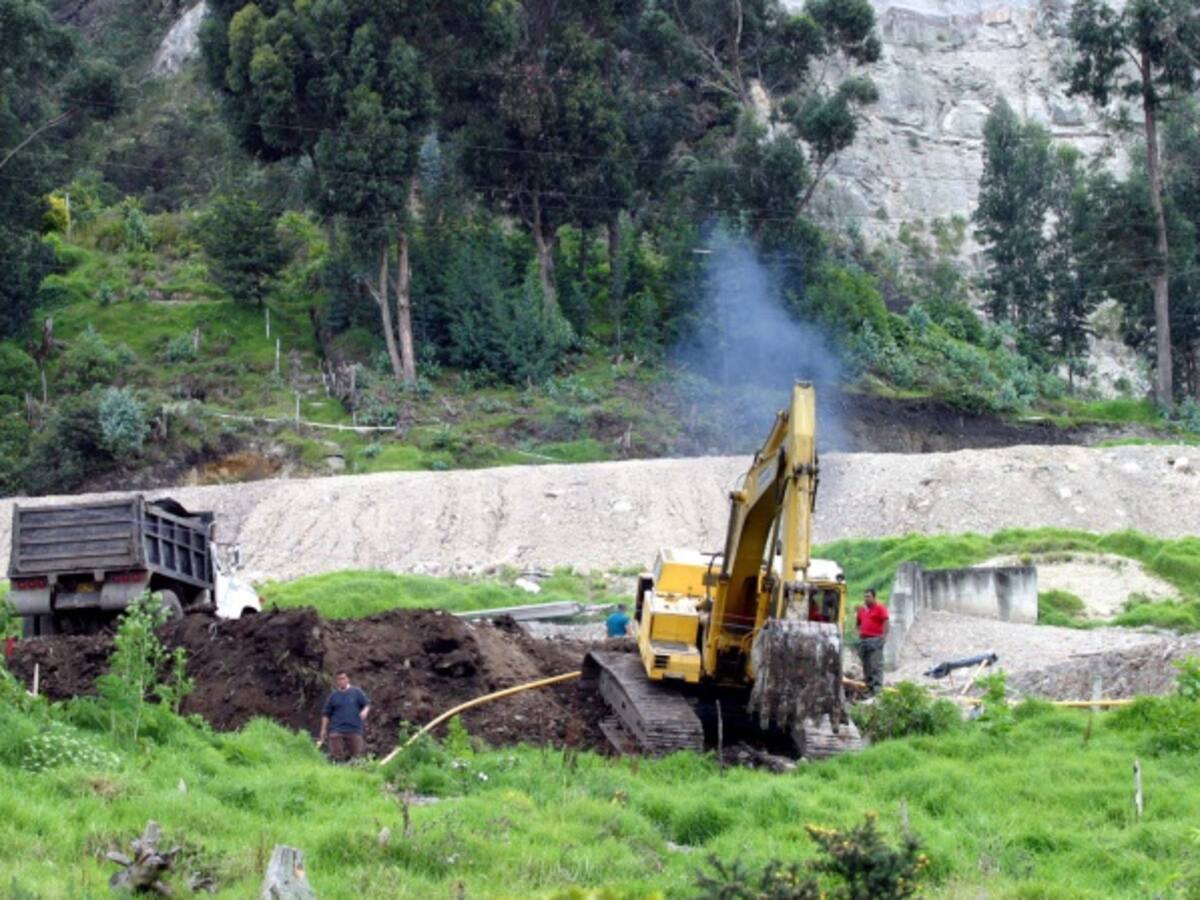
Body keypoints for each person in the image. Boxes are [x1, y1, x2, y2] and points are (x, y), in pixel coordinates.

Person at [318, 670, 371, 761]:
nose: (341, 681)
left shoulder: (356, 692)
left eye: (343, 678)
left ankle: (355, 773)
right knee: (337, 757)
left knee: (357, 757)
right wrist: (323, 729)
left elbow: (367, 703)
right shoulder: (333, 696)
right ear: (336, 681)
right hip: (337, 730)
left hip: (354, 729)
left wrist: (365, 711)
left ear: (348, 679)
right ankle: (338, 771)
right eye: (338, 679)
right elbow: (326, 714)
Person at [856, 589, 889, 696]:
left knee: (876, 666)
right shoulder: (862, 610)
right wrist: (859, 633)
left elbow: (886, 621)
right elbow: (858, 623)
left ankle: (877, 691)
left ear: (874, 597)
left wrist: (883, 636)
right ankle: (869, 689)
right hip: (864, 641)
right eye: (865, 596)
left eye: (869, 596)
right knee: (866, 666)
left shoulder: (880, 608)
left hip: (875, 640)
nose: (866, 598)